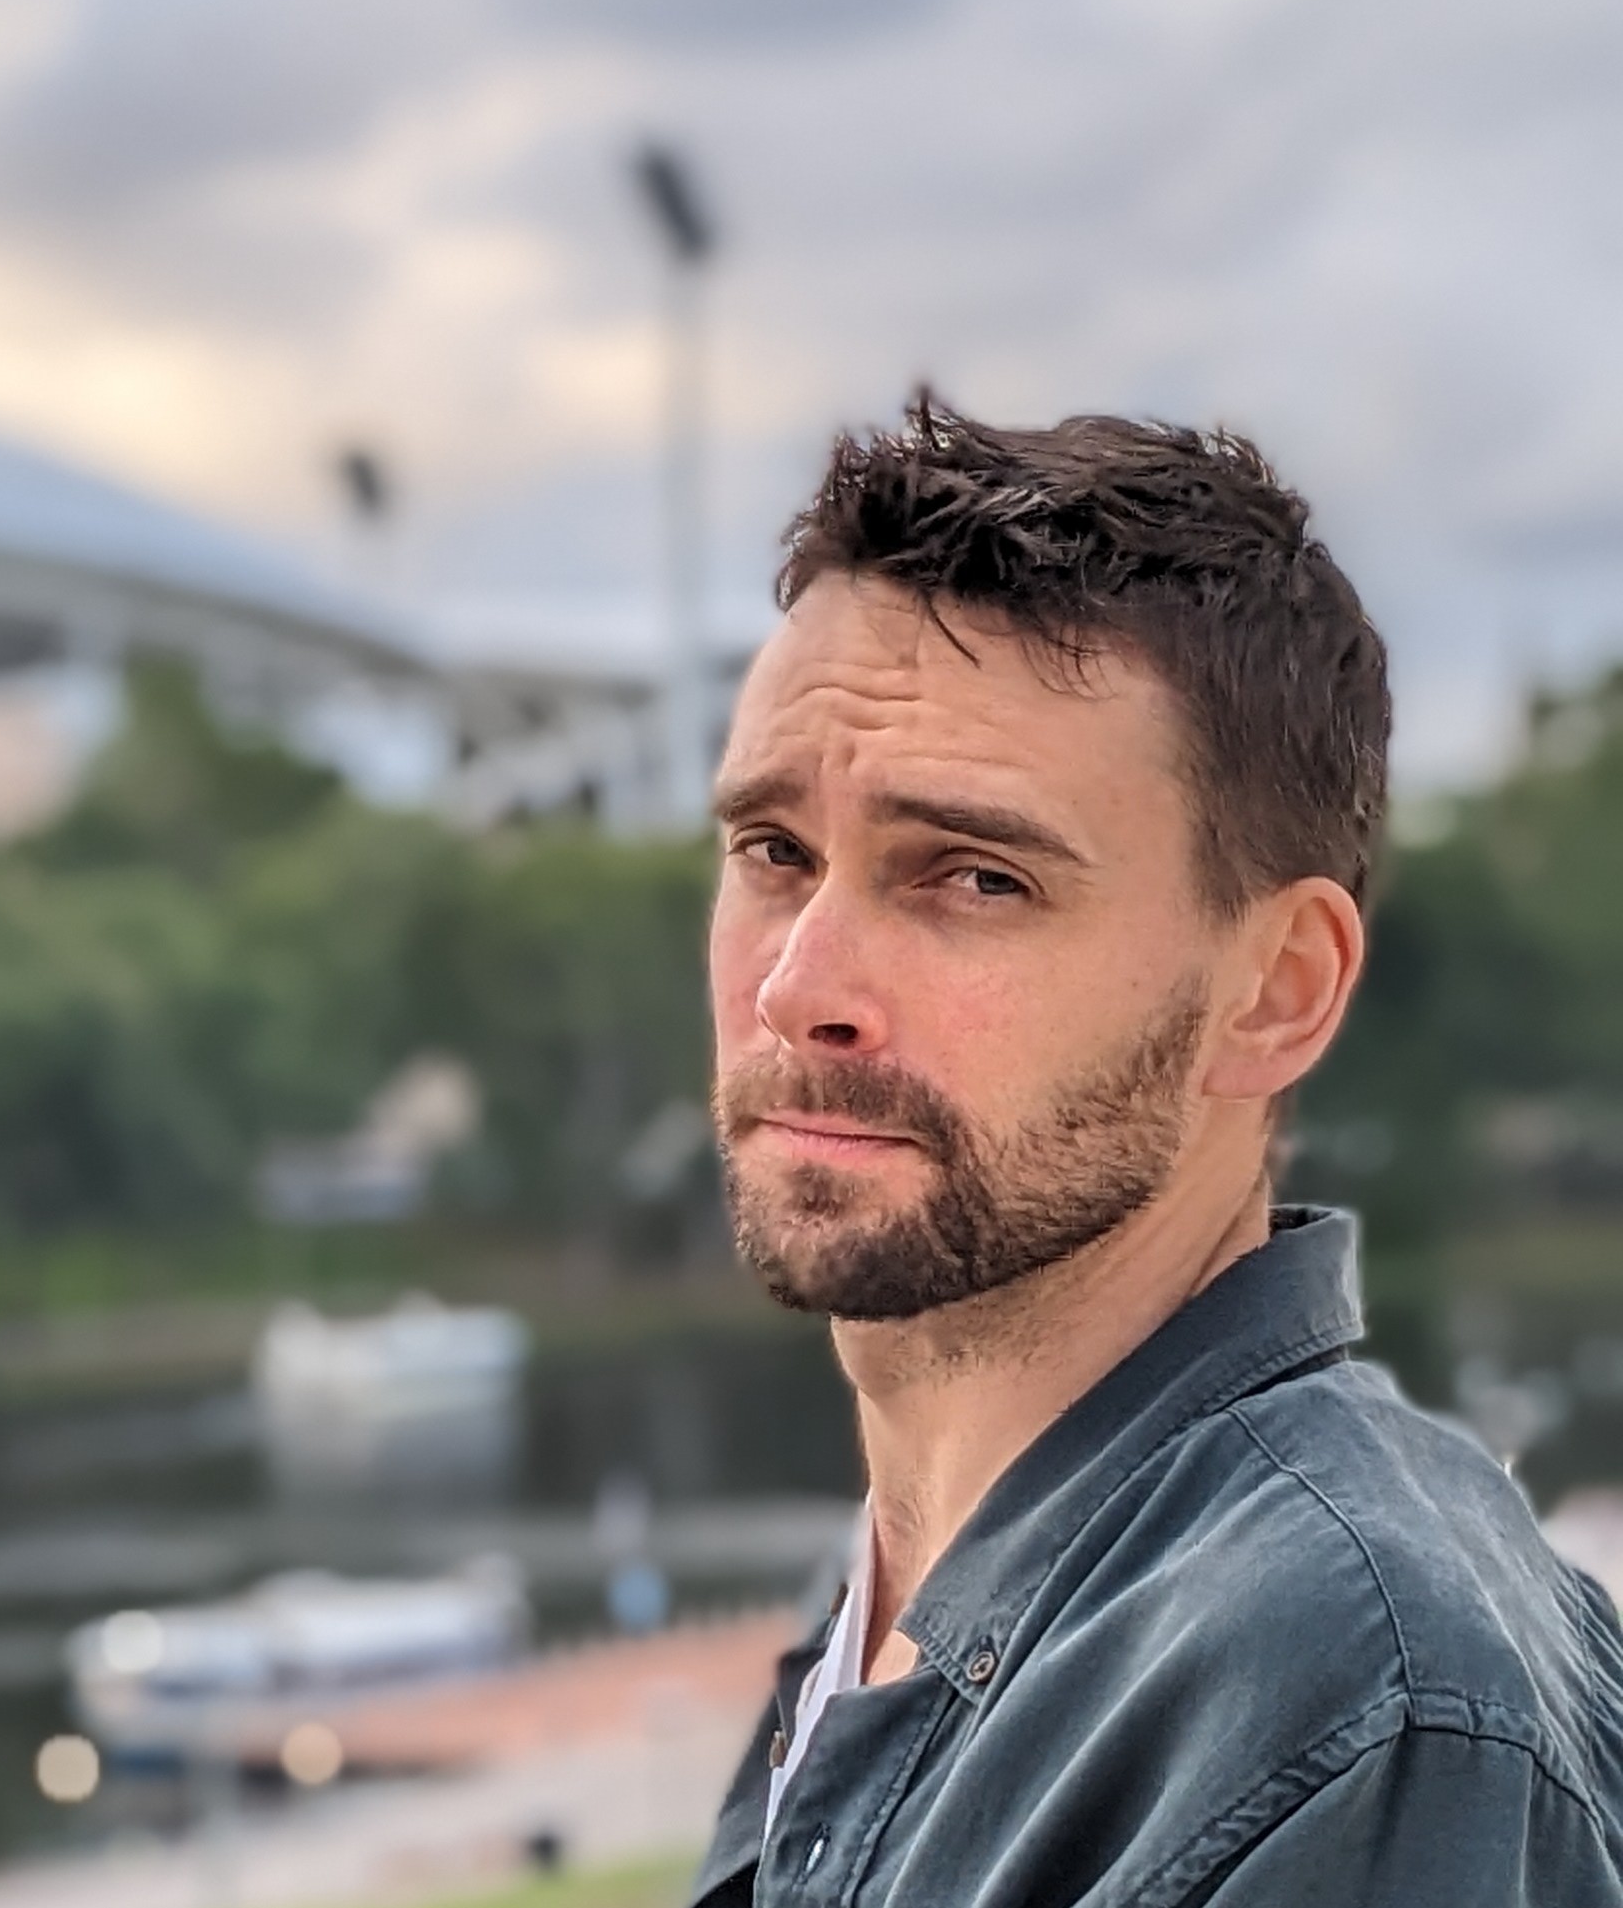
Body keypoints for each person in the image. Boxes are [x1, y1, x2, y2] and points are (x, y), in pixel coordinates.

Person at [690, 400, 1623, 1906]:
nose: (800, 987)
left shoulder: (1347, 1701)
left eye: (975, 877)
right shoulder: (895, 1602)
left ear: (1277, 991)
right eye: (774, 853)